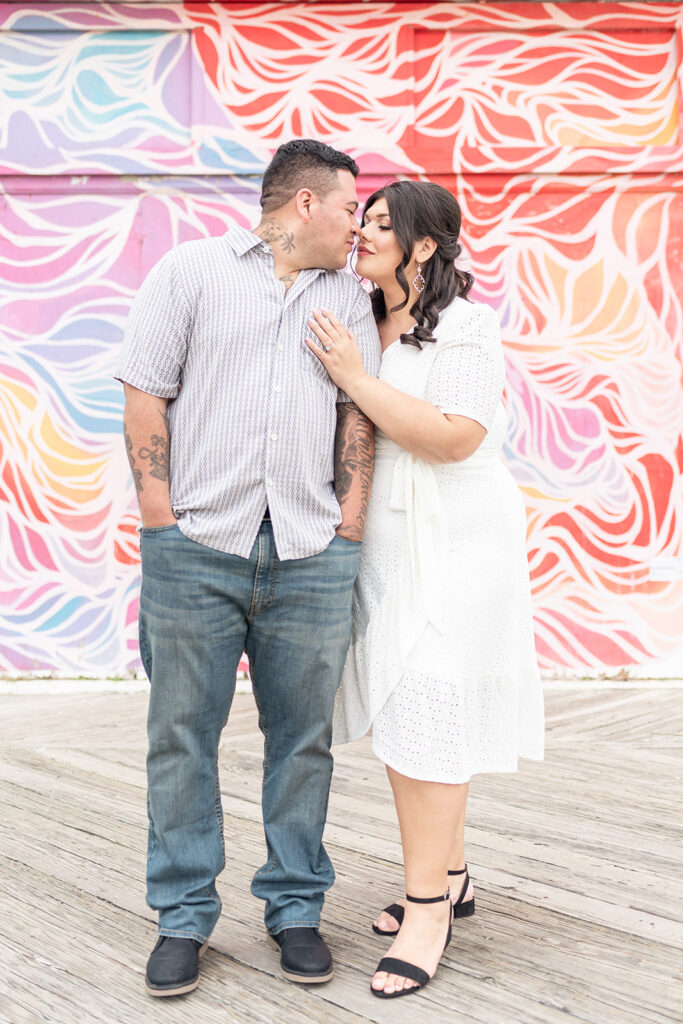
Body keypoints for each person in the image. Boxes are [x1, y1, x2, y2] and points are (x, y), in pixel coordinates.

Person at [115, 139, 381, 996]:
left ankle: (295, 907)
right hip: (196, 546)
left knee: (302, 742)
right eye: (349, 206)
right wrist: (161, 522)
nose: (357, 224)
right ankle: (184, 917)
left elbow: (358, 415)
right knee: (180, 737)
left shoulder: (350, 296)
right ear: (304, 204)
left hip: (311, 552)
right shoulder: (189, 273)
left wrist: (347, 526)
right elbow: (145, 391)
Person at [306, 179, 544, 999]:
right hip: (386, 544)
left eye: (381, 224)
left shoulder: (469, 327)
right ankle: (452, 872)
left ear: (426, 245)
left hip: (459, 537)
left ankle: (426, 910)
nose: (363, 233)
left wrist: (352, 376)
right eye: (362, 219)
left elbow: (452, 438)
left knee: (432, 701)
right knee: (408, 707)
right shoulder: (362, 318)